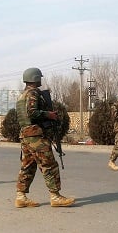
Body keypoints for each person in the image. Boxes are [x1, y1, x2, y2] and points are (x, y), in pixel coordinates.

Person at [15, 67, 75, 208]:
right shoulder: (34, 93)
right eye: (39, 77)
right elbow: (32, 113)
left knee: (28, 166)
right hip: (36, 136)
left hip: (26, 135)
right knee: (49, 165)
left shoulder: (22, 96)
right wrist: (49, 115)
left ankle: (21, 196)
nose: (41, 80)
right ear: (35, 78)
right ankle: (55, 196)